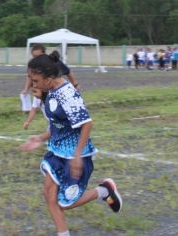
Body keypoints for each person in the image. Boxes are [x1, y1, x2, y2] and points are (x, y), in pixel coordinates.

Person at [20, 54, 122, 236]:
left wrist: (77, 156)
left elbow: (87, 123)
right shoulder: (50, 91)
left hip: (75, 155)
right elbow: (59, 124)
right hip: (56, 152)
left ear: (49, 79)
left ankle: (104, 190)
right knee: (49, 196)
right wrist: (41, 138)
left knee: (65, 203)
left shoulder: (68, 94)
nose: (32, 84)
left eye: (35, 80)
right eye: (30, 79)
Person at [22, 46, 79, 129]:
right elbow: (57, 126)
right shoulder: (44, 90)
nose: (34, 85)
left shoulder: (65, 93)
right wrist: (41, 138)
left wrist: (75, 84)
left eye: (36, 81)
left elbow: (84, 123)